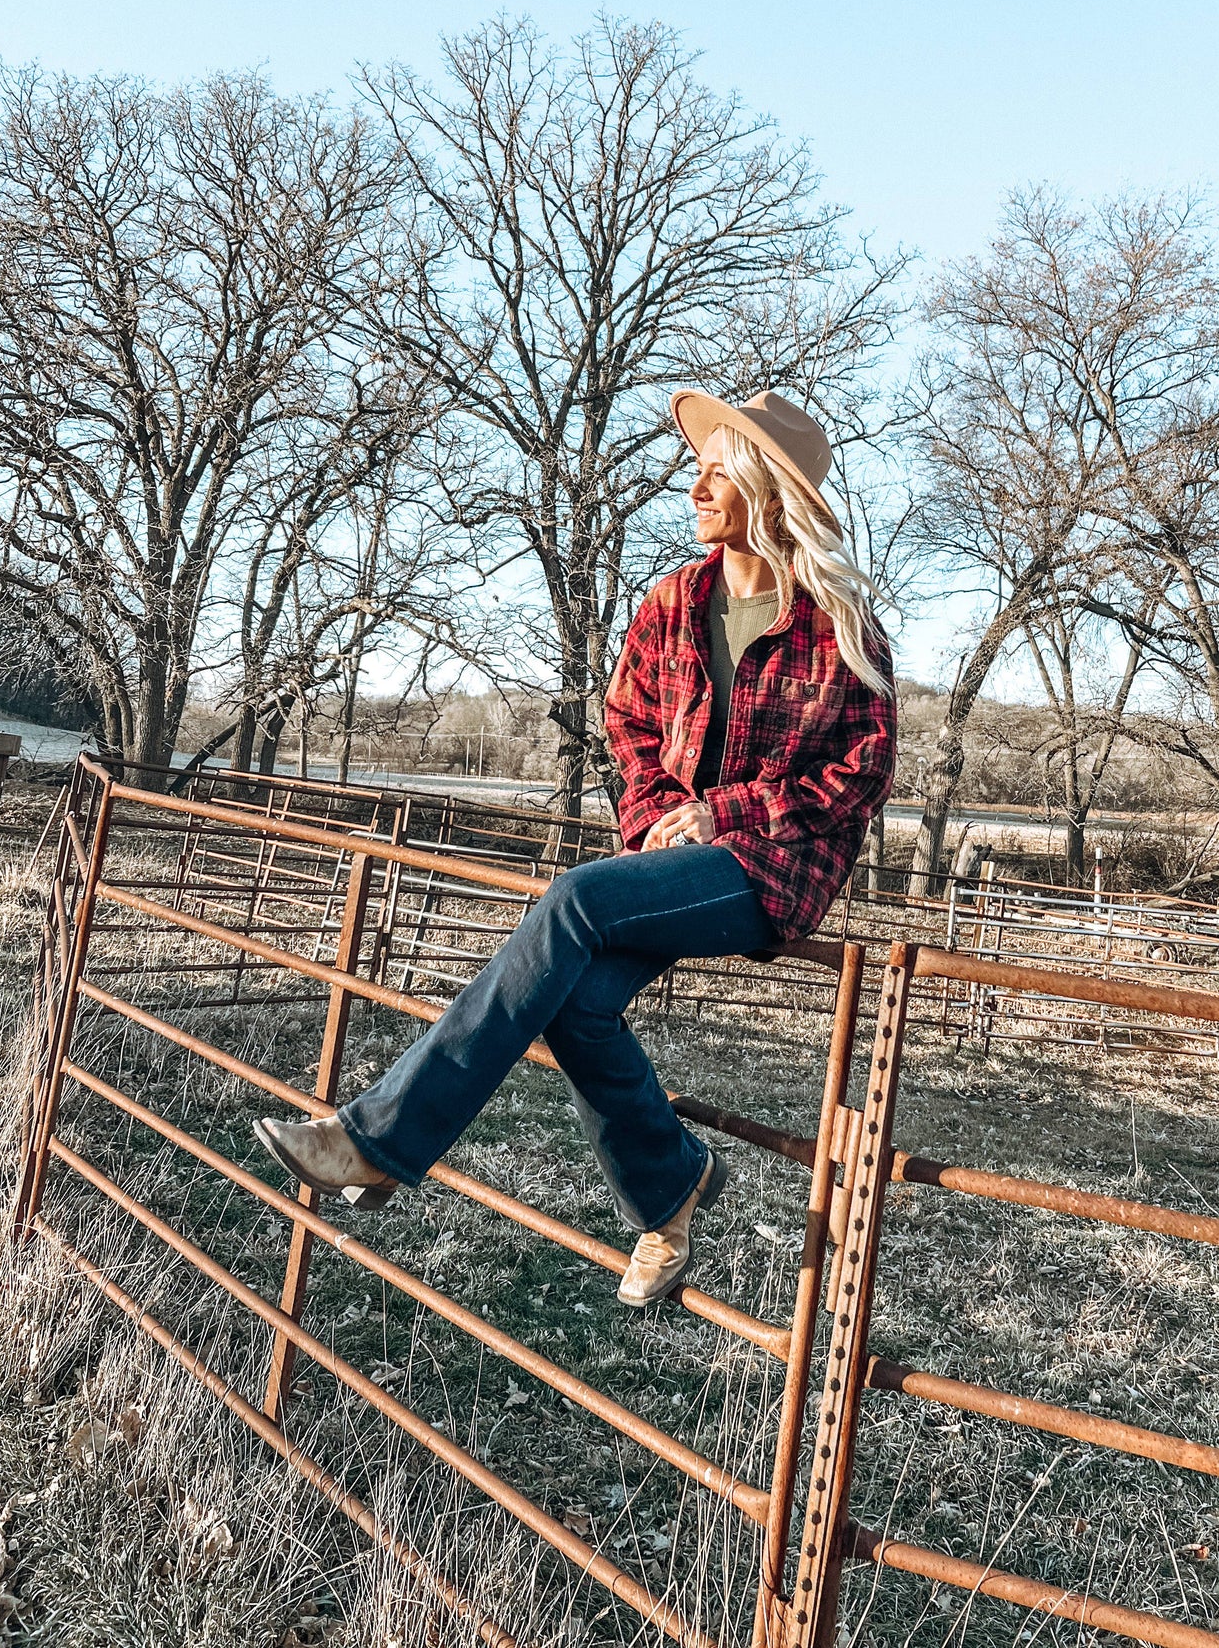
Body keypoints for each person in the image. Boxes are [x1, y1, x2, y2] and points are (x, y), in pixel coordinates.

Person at [253, 389, 897, 1307]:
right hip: (664, 853)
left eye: (716, 470)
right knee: (578, 1004)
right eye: (701, 467)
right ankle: (670, 1192)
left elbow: (862, 771)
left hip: (771, 866)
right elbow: (627, 724)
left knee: (574, 900)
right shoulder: (675, 598)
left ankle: (379, 1138)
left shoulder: (835, 625)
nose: (695, 485)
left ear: (762, 488)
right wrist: (660, 819)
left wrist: (726, 812)